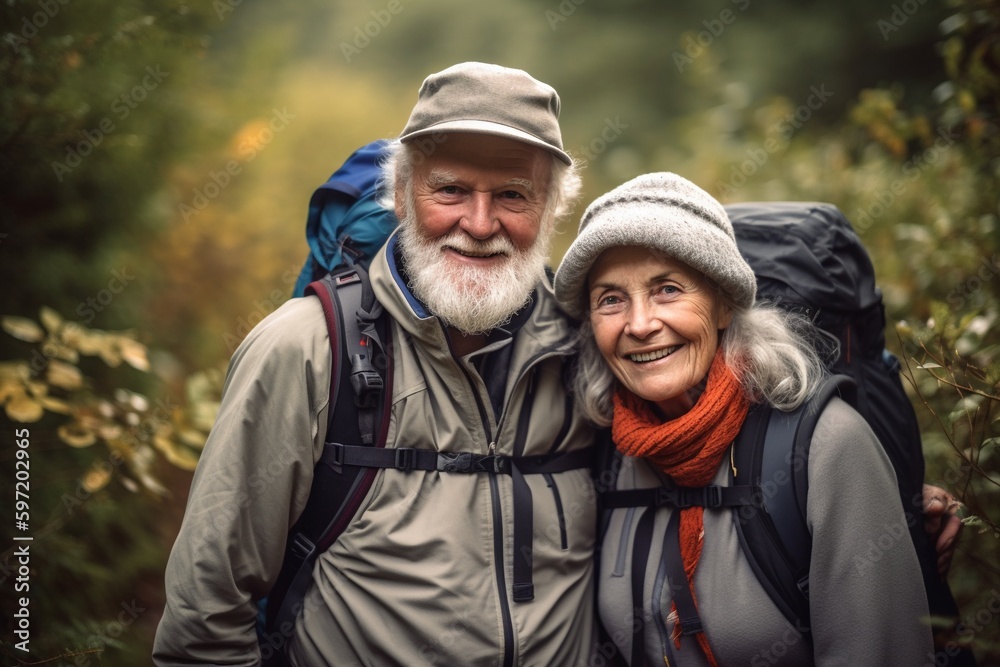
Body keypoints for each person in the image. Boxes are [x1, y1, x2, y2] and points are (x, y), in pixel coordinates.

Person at [152, 62, 600, 666]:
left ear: (551, 210)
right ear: (400, 194)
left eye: (513, 196)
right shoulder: (303, 351)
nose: (479, 223)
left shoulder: (589, 347)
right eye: (450, 190)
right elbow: (205, 614)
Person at [553, 172, 936, 665]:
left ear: (723, 307)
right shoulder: (613, 451)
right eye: (611, 299)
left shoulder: (825, 446)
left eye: (668, 289)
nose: (640, 324)